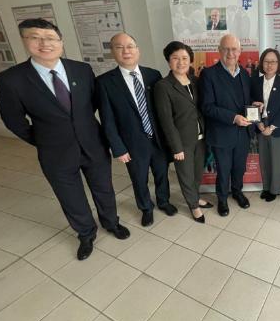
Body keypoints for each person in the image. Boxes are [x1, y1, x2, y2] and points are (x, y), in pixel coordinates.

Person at [0, 18, 130, 261]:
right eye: (35, 37)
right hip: (54, 152)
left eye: (50, 38)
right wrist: (44, 139)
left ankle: (111, 223)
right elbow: (13, 121)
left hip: (93, 144)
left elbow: (95, 106)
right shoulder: (11, 80)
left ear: (61, 42)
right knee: (71, 197)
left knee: (104, 189)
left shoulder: (81, 69)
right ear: (25, 41)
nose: (44, 43)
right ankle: (86, 233)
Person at [96, 33, 177, 227]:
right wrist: (118, 148)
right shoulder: (104, 82)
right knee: (139, 179)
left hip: (157, 139)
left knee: (161, 173)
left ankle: (163, 201)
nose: (126, 51)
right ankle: (146, 208)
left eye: (130, 46)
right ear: (112, 52)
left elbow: (163, 110)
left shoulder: (153, 75)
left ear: (138, 50)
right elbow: (107, 120)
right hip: (131, 144)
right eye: (119, 47)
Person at [154, 41, 212, 223]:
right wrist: (176, 147)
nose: (181, 62)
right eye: (175, 58)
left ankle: (195, 197)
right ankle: (193, 206)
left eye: (185, 58)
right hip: (182, 142)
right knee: (186, 176)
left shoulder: (195, 81)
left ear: (190, 60)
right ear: (168, 61)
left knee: (197, 173)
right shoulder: (163, 86)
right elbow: (166, 121)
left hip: (201, 137)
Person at [200, 34, 252, 216]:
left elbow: (245, 102)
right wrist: (233, 117)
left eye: (234, 49)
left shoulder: (245, 74)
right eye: (226, 49)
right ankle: (222, 199)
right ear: (219, 50)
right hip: (222, 133)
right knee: (223, 170)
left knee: (239, 167)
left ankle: (237, 192)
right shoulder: (208, 74)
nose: (231, 53)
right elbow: (207, 107)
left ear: (240, 51)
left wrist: (256, 106)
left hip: (242, 133)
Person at [250, 48, 280, 202]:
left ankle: (275, 189)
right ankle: (266, 187)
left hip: (276, 128)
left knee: (276, 160)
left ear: (278, 63)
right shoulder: (255, 81)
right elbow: (251, 105)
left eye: (273, 61)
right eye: (266, 61)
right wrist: (259, 123)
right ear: (262, 63)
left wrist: (271, 128)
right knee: (264, 160)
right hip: (260, 126)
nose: (270, 64)